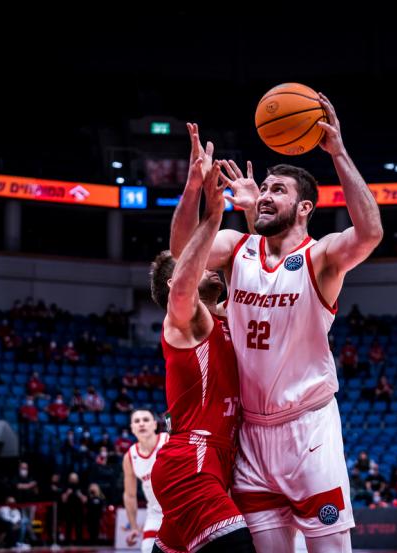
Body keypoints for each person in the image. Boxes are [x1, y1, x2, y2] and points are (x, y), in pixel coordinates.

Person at [170, 94, 383, 552]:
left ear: (305, 208)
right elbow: (182, 257)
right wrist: (193, 190)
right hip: (252, 436)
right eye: (263, 187)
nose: (265, 193)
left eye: (277, 190)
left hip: (308, 430)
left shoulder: (320, 258)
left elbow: (369, 234)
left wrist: (339, 153)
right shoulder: (236, 247)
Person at [149, 138, 254, 552]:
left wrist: (195, 187)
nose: (207, 259)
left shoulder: (229, 312)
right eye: (198, 262)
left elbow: (263, 266)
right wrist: (211, 216)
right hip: (191, 460)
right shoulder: (186, 322)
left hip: (221, 460)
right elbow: (182, 269)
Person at [122, 409, 167, 553]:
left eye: (146, 420)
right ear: (132, 428)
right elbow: (129, 495)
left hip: (180, 509)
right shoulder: (130, 456)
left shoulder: (168, 440)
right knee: (147, 549)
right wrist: (134, 527)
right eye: (137, 421)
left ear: (155, 425)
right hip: (155, 514)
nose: (141, 424)